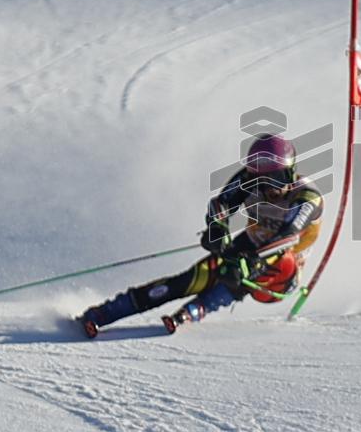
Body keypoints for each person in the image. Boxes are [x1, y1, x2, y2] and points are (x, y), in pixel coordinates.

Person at [79, 133, 323, 338]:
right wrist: (217, 231)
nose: (269, 188)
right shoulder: (247, 180)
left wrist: (247, 260)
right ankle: (104, 314)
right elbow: (221, 204)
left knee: (245, 271)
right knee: (193, 278)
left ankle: (197, 309)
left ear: (290, 173)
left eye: (276, 178)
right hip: (253, 242)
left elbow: (289, 235)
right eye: (260, 180)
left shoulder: (307, 196)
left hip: (283, 271)